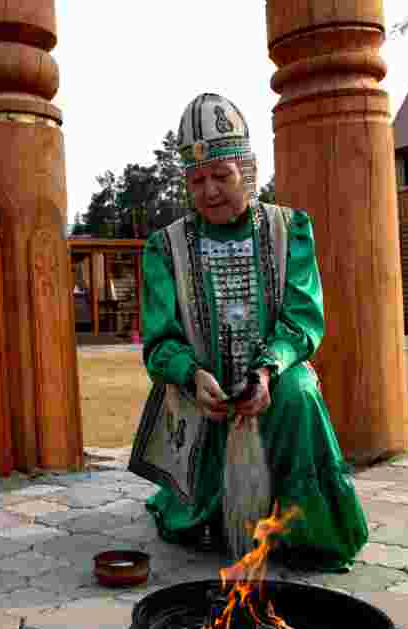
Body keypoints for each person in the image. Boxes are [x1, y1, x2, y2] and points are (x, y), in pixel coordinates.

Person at [129, 93, 368, 572]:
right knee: (187, 395)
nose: (210, 191)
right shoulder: (165, 248)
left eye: (222, 176)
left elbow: (301, 318)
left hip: (274, 377)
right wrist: (191, 374)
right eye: (197, 181)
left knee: (299, 392)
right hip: (204, 384)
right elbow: (159, 341)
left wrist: (266, 370)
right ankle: (209, 513)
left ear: (247, 171)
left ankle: (304, 530)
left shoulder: (289, 230)